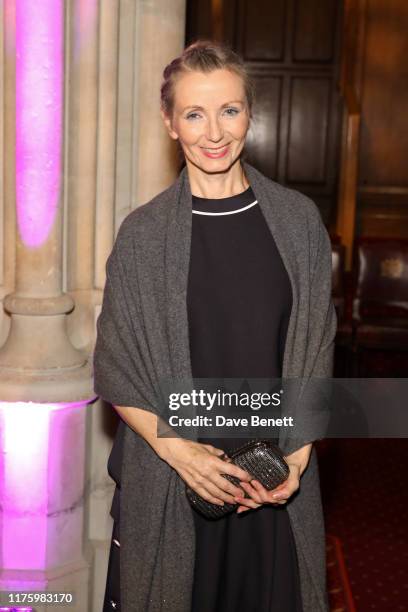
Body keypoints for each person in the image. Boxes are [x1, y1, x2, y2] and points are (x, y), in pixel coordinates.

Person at [94, 40, 337, 612]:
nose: (214, 133)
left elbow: (317, 347)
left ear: (250, 114)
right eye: (194, 114)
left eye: (229, 110)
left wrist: (295, 461)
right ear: (169, 123)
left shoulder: (299, 222)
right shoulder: (144, 236)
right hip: (175, 479)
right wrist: (181, 453)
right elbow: (114, 365)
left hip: (272, 480)